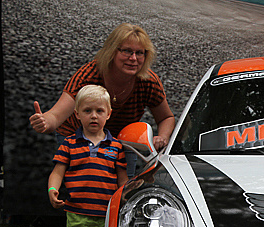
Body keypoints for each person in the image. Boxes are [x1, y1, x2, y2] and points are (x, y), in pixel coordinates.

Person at [29, 22, 175, 176]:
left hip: (123, 140)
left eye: (140, 53)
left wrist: (162, 137)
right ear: (112, 51)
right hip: (80, 135)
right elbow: (56, 115)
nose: (133, 58)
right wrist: (45, 122)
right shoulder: (88, 76)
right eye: (127, 51)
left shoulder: (148, 81)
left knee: (124, 185)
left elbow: (166, 117)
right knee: (83, 182)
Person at [48, 85, 128, 227]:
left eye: (99, 111)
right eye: (87, 111)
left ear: (108, 114)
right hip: (78, 213)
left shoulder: (116, 147)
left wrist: (125, 202)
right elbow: (57, 172)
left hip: (107, 215)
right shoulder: (69, 144)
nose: (94, 116)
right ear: (77, 114)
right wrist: (53, 189)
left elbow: (122, 180)